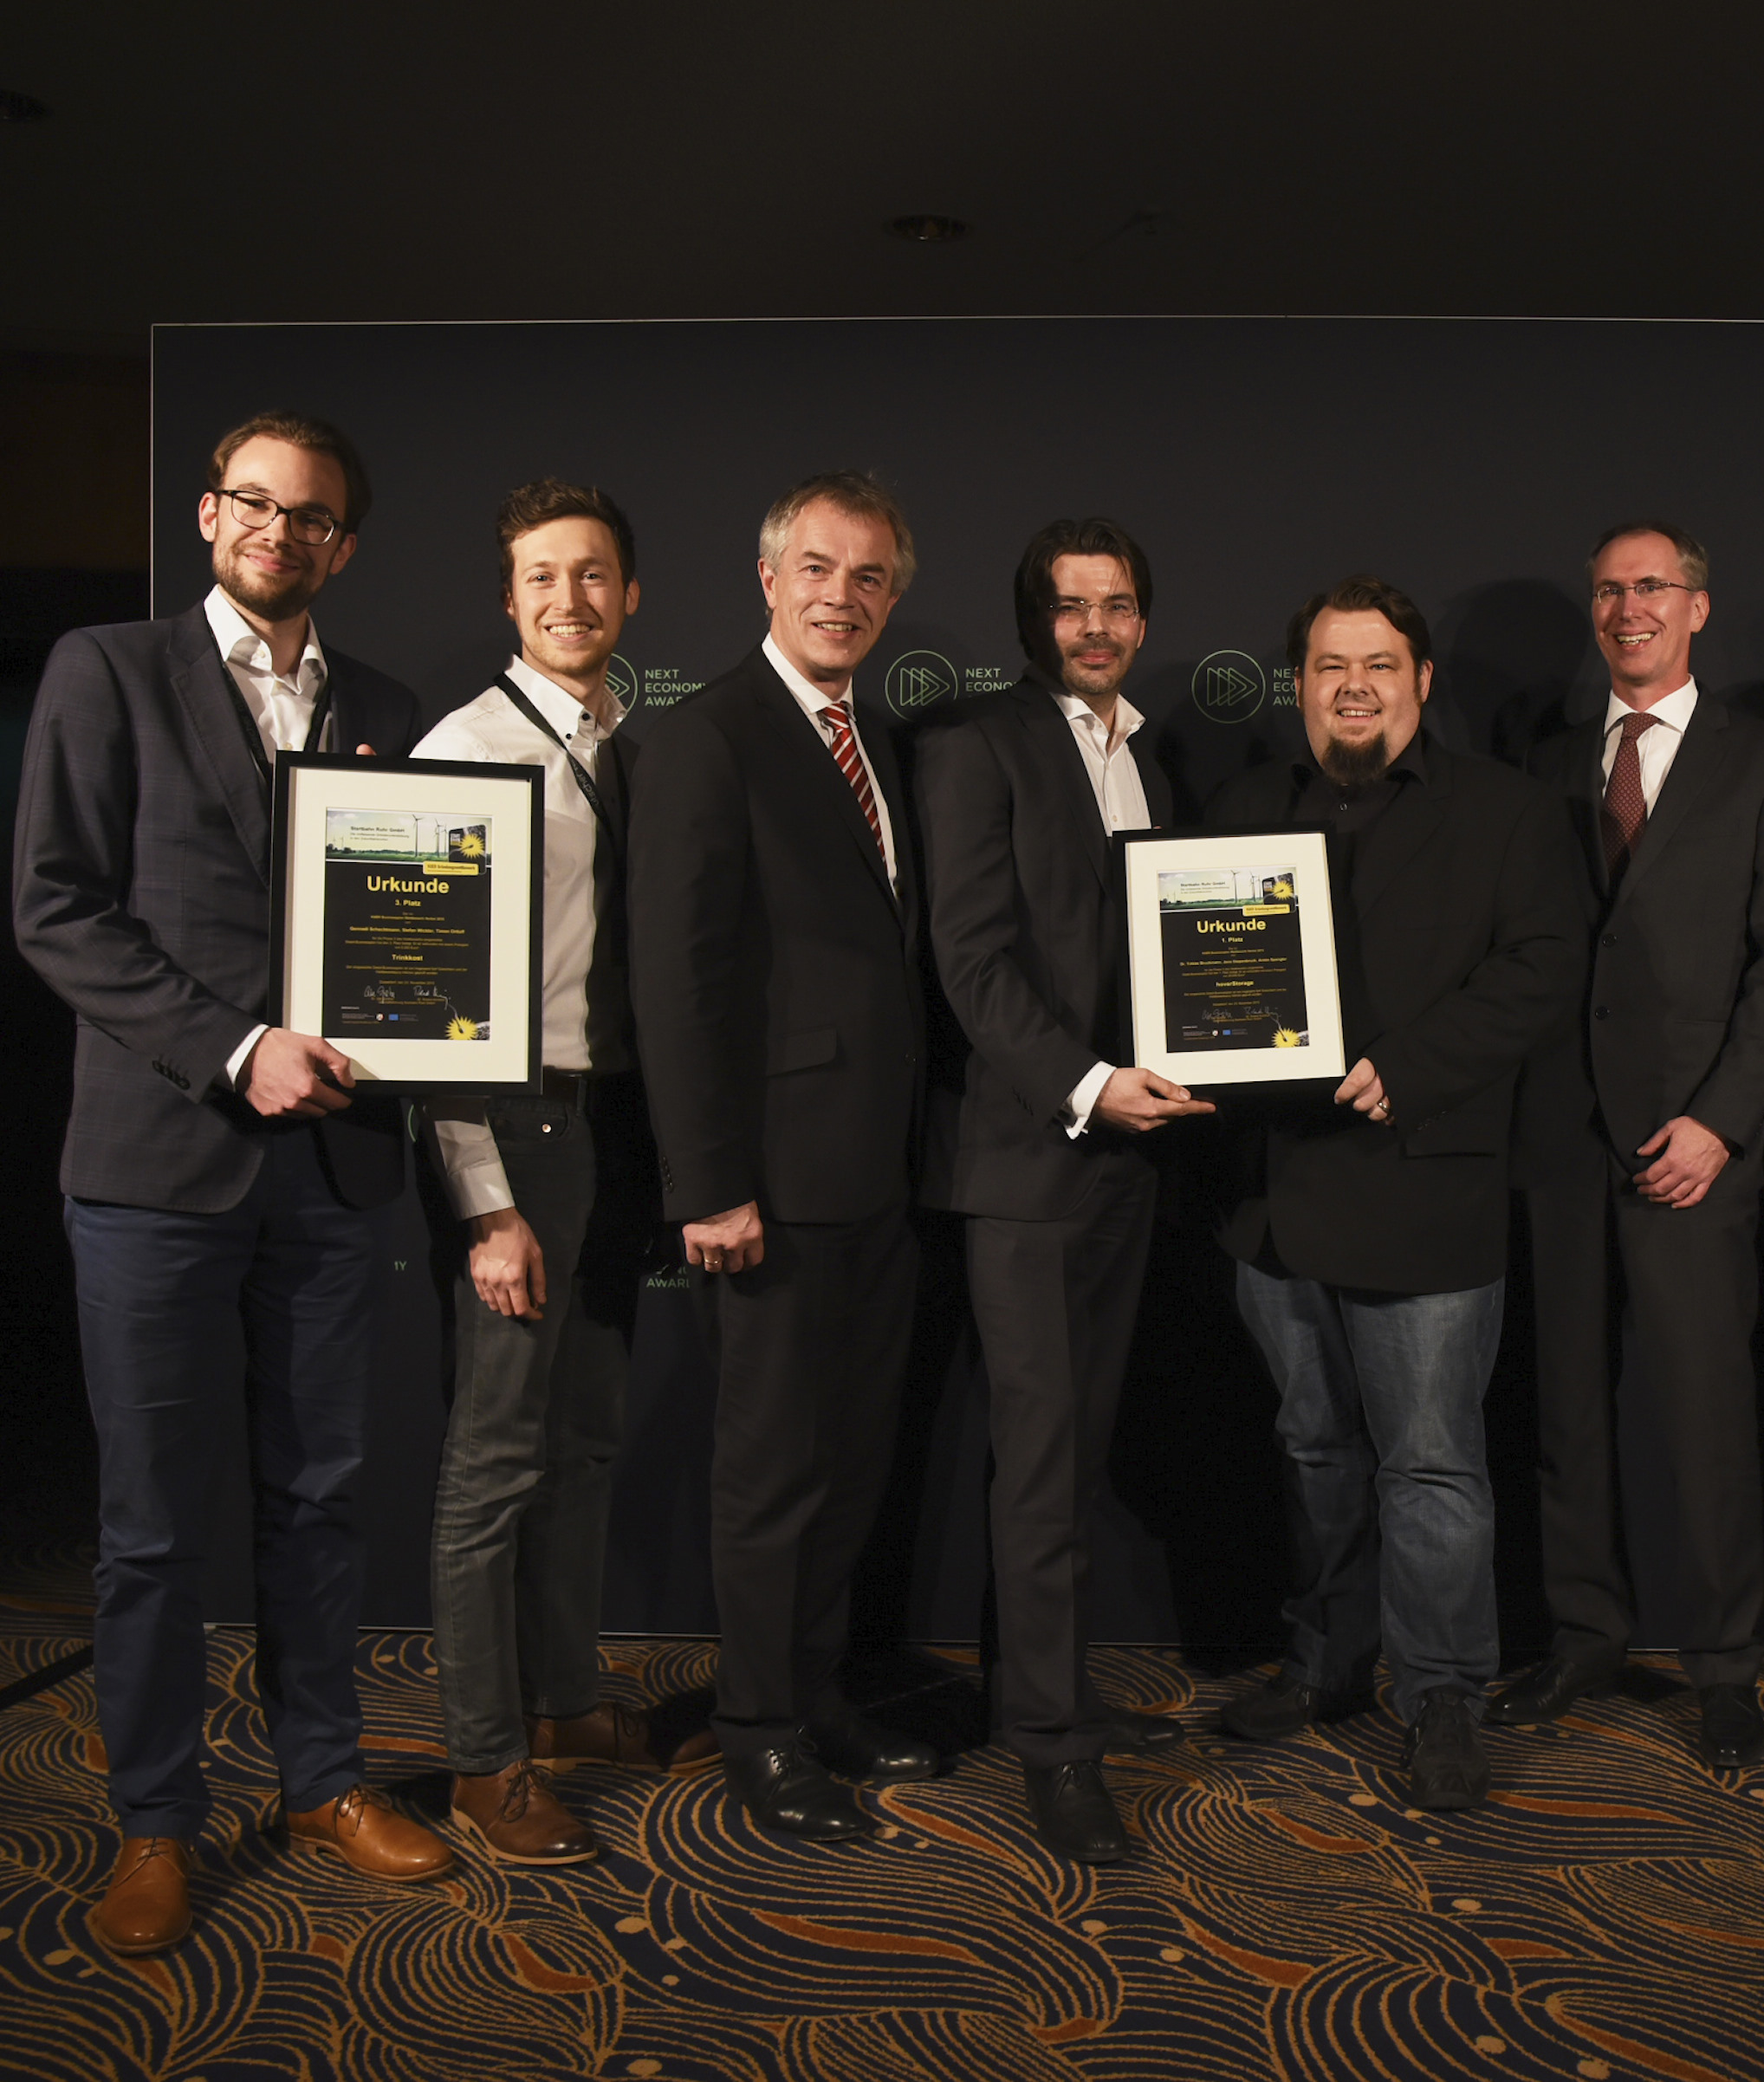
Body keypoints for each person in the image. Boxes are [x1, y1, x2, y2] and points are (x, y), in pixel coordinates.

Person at [13, 411, 449, 1956]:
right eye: (252, 503)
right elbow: (56, 910)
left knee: (322, 1501)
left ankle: (321, 1779)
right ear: (209, 516)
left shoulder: (387, 706)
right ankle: (156, 1819)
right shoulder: (107, 670)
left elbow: (412, 919)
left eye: (310, 515)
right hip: (155, 1169)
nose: (279, 530)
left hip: (332, 1170)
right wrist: (234, 1047)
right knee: (152, 1526)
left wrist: (426, 1018)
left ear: (343, 544)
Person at [1211, 576, 1582, 1811]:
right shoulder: (1245, 810)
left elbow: (1543, 969)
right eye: (1331, 667)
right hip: (1276, 1199)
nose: (1355, 688)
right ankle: (1325, 1662)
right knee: (1313, 1448)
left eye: (1379, 665)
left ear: (1422, 680)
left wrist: (1413, 1068)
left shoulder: (1508, 812)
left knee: (1430, 1467)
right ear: (1299, 685)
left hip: (1424, 1188)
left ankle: (1442, 1698)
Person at [616, 472, 935, 1844]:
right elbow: (675, 980)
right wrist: (709, 1185)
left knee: (851, 1464)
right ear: (766, 579)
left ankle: (815, 1698)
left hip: (882, 1178)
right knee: (771, 1475)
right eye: (817, 567)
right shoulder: (707, 736)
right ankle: (754, 1729)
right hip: (769, 1186)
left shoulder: (885, 744)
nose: (841, 596)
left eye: (869, 577)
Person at [412, 481, 707, 1867]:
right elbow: (423, 1002)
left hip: (610, 1128)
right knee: (493, 1464)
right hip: (515, 1132)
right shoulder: (464, 748)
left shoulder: (627, 746)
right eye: (541, 576)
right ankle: (485, 1762)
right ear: (509, 598)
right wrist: (484, 1203)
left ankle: (567, 1702)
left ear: (629, 596)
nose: (568, 599)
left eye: (591, 575)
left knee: (584, 1442)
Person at [1500, 522, 1764, 1770]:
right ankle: (1585, 1634)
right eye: (1607, 591)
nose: (1626, 608)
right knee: (1568, 1411)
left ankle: (1724, 1665)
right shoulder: (1542, 763)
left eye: (1650, 587)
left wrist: (1723, 1122)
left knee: (1704, 1416)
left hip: (1695, 1144)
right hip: (1560, 1139)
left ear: (1697, 606)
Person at [914, 516, 1210, 1863]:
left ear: (1144, 619)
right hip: (1032, 1159)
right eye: (1073, 605)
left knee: (1074, 1455)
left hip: (1130, 1160)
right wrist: (1091, 1083)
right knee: (1039, 1464)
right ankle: (1052, 1747)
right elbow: (972, 964)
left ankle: (1045, 1692)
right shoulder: (977, 746)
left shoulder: (1148, 752)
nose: (1097, 627)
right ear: (1034, 621)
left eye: (1119, 604)